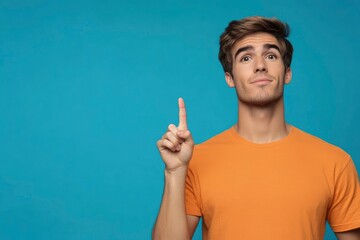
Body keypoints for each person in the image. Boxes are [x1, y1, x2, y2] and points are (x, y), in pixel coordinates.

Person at [152, 16, 360, 240]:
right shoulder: (195, 161)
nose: (260, 66)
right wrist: (174, 173)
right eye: (246, 58)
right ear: (230, 78)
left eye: (271, 56)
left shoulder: (335, 162)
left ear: (287, 73)